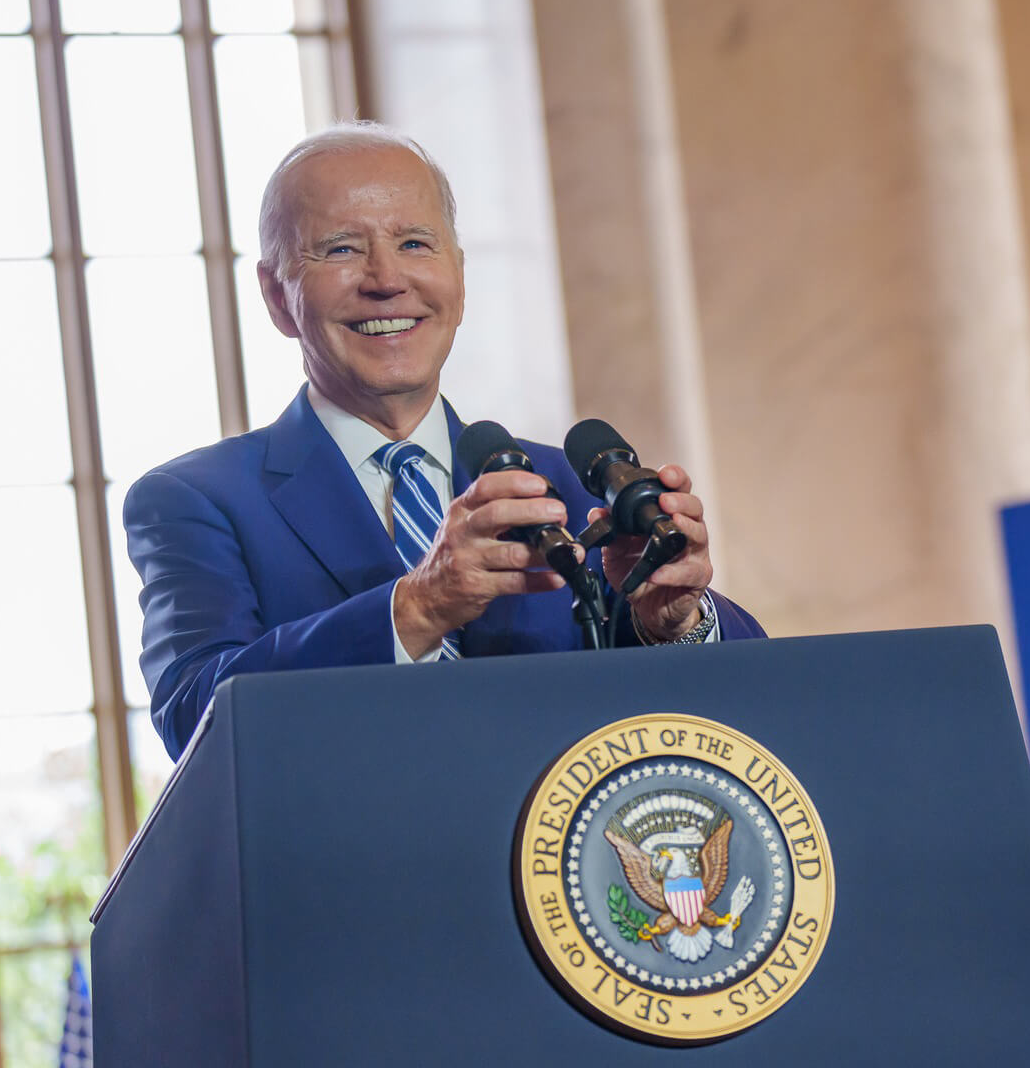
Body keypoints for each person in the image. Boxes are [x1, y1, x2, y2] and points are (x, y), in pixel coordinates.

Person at [124, 123, 763, 760]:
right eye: (342, 250)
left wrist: (673, 624)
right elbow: (196, 719)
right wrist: (418, 607)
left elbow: (744, 710)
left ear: (458, 277)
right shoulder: (196, 500)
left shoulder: (564, 485)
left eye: (414, 243)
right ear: (276, 296)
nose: (386, 279)